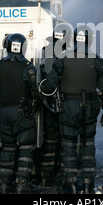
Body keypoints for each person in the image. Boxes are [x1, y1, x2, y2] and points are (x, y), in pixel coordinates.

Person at [40, 25, 103, 194]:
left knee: (69, 145)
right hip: (89, 108)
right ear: (90, 40)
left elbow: (50, 85)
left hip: (68, 108)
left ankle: (71, 183)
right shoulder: (96, 60)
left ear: (73, 40)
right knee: (88, 145)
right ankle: (88, 185)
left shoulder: (63, 59)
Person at [0, 33, 40, 194]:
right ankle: (22, 183)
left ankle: (5, 183)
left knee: (7, 147)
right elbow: (36, 92)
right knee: (26, 147)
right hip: (22, 112)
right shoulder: (28, 67)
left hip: (4, 111)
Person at [36, 22, 72, 187]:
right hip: (64, 103)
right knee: (66, 140)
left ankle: (45, 174)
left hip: (47, 103)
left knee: (50, 141)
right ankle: (62, 174)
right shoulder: (69, 54)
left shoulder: (45, 52)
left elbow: (39, 78)